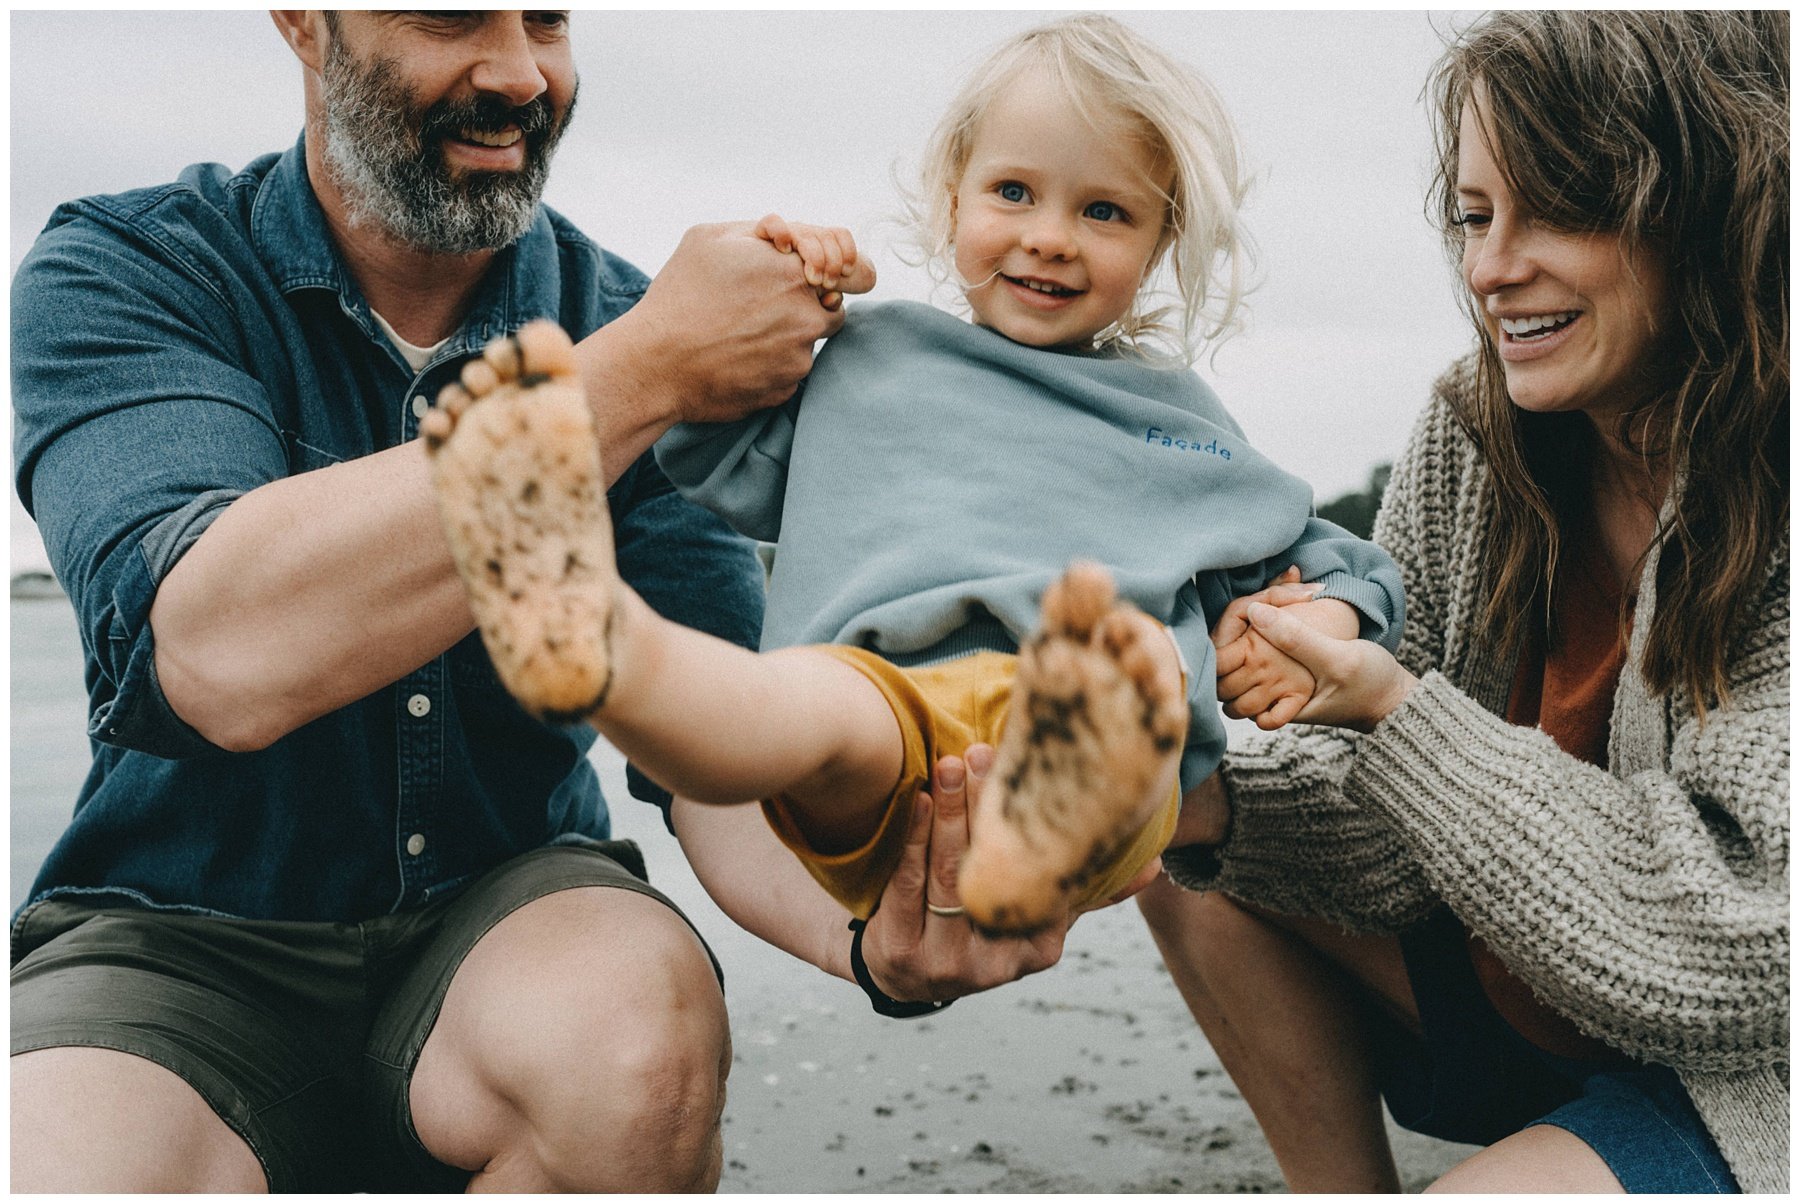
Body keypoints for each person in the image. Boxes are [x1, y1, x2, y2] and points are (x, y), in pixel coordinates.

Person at [8, 11, 1077, 1193]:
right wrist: (640, 372)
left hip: (510, 913)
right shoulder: (129, 266)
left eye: (550, 18)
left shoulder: (636, 322)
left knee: (634, 1035)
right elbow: (210, 647)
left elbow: (725, 759)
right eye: (455, 13)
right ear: (304, 20)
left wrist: (872, 933)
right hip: (173, 938)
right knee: (63, 1161)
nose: (520, 73)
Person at [417, 13, 1404, 938]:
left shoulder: (1176, 420)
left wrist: (1318, 626)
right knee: (792, 708)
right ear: (952, 200)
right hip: (882, 708)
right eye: (1014, 192)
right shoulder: (870, 360)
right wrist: (783, 287)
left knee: (1131, 686)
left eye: (1104, 211)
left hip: (1094, 737)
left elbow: (1335, 560)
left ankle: (1041, 832)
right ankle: (604, 645)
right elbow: (708, 448)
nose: (1050, 234)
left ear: (1157, 244)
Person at [1139, 8, 1788, 1193]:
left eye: (1561, 206)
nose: (1492, 268)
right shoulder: (1474, 430)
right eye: (1477, 216)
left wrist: (1394, 707)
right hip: (1521, 990)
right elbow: (1387, 833)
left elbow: (1748, 950)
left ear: (1717, 201)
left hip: (1746, 1075)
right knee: (1179, 831)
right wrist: (1175, 794)